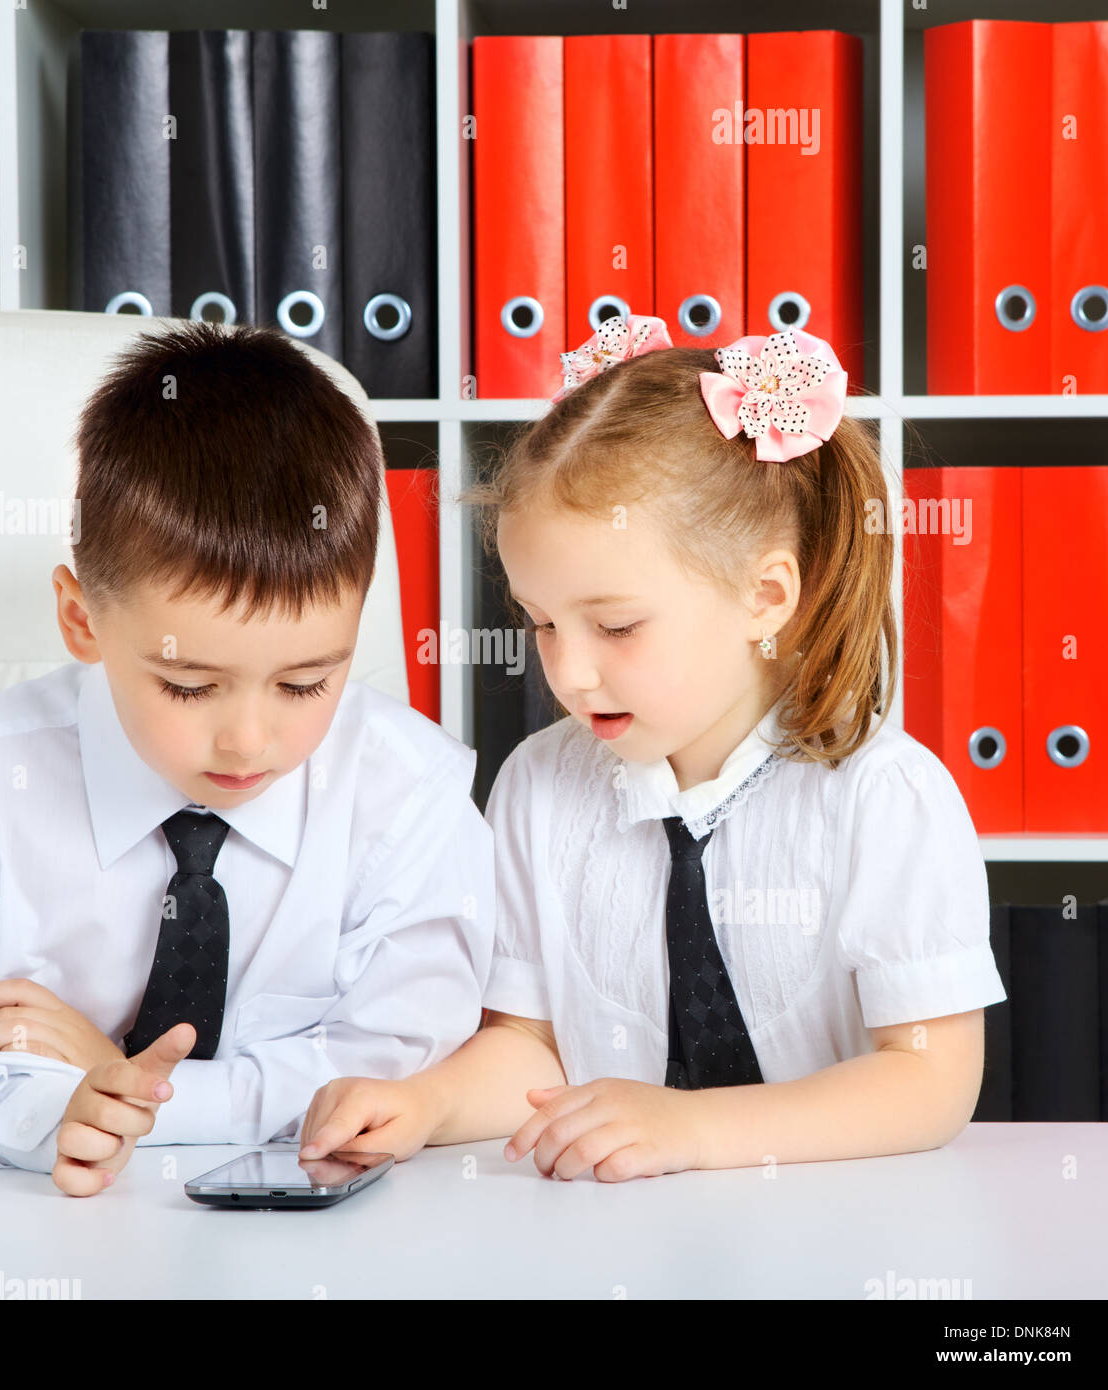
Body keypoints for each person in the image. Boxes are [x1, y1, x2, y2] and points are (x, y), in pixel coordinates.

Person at [299, 314, 1007, 1181]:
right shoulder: (536, 787)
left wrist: (695, 1131)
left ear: (766, 597)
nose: (571, 673)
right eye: (543, 623)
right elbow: (533, 1050)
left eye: (617, 626)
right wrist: (425, 1103)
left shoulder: (885, 799)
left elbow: (929, 1080)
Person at [0, 321, 493, 1196]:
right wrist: (62, 1115)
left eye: (308, 683)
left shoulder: (409, 799)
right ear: (83, 620)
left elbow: (386, 1078)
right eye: (190, 686)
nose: (247, 740)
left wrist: (132, 1088)